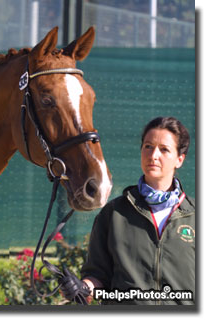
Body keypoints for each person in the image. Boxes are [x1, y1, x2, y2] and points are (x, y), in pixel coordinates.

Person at [80, 117, 195, 305]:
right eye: (148, 146)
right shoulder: (113, 214)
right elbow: (97, 276)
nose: (153, 155)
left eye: (164, 149)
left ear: (179, 159)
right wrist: (82, 287)